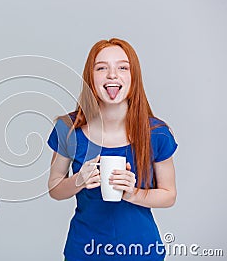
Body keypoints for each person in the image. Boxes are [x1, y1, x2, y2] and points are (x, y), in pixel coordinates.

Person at [47, 38, 177, 261]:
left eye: (123, 67)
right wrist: (78, 180)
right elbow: (54, 188)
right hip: (84, 250)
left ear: (133, 77)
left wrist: (133, 193)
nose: (112, 75)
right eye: (101, 68)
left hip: (141, 251)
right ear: (90, 77)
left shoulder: (157, 133)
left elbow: (169, 195)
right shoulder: (68, 129)